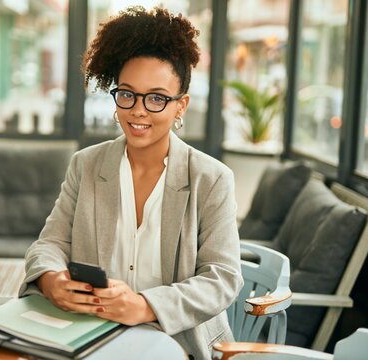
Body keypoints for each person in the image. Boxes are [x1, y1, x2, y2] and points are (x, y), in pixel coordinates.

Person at [19, 6, 243, 359]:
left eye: (156, 98)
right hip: (91, 334)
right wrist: (52, 280)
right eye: (127, 93)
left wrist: (144, 306)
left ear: (180, 106)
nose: (138, 110)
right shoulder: (87, 165)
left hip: (176, 342)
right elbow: (50, 244)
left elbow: (222, 278)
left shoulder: (211, 179)